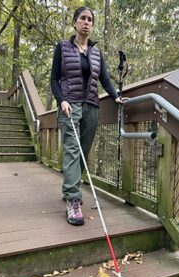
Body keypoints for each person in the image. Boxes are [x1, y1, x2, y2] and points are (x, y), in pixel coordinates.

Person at [50, 6, 124, 226]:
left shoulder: (96, 53)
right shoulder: (62, 48)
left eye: (90, 19)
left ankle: (69, 188)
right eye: (82, 18)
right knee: (72, 149)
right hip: (69, 106)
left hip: (91, 106)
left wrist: (116, 96)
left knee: (83, 151)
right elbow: (54, 79)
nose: (86, 22)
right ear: (75, 23)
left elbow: (105, 80)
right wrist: (61, 99)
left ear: (92, 25)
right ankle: (73, 199)